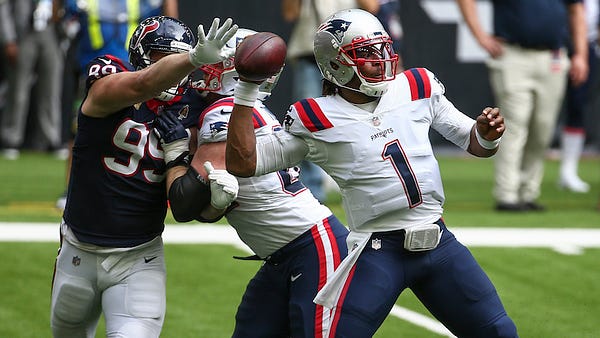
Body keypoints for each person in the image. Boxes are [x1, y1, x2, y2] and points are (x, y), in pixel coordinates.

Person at [225, 8, 517, 337]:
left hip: (439, 244)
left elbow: (474, 142)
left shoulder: (417, 86)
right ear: (335, 63)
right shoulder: (316, 117)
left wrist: (488, 135)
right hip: (378, 251)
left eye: (383, 48)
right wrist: (245, 92)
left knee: (499, 332)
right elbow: (243, 163)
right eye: (365, 53)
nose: (381, 59)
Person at [50, 16, 238, 337]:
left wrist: (217, 202)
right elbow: (141, 84)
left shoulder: (194, 108)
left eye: (177, 59)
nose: (173, 69)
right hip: (77, 251)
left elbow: (187, 206)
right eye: (162, 58)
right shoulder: (108, 74)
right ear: (139, 55)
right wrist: (189, 59)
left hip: (139, 259)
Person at [154, 28, 349, 337]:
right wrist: (215, 204)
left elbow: (183, 202)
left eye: (214, 64)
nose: (203, 70)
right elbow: (208, 205)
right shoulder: (240, 108)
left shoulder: (224, 111)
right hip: (287, 251)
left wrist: (175, 153)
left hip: (309, 245)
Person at [457, 0, 589, 211]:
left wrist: (581, 54)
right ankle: (507, 194)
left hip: (553, 56)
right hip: (513, 54)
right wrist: (480, 36)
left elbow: (576, 10)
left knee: (543, 129)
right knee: (514, 124)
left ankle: (527, 191)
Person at [55, 0, 179, 210]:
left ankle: (137, 184)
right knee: (79, 132)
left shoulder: (139, 4)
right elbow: (60, 14)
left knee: (138, 130)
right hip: (94, 73)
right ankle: (71, 187)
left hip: (132, 72)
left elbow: (170, 19)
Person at [282, 0, 376, 203]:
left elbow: (372, 6)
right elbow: (290, 13)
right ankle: (312, 191)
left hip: (349, 55)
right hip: (311, 53)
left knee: (356, 119)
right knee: (306, 123)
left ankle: (359, 186)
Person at [0, 0, 64, 160]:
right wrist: (8, 39)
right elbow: (3, 6)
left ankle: (51, 138)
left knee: (51, 89)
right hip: (22, 33)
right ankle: (11, 138)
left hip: (50, 31)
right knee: (18, 89)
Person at [558, 0, 599, 193]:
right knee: (540, 111)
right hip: (556, 43)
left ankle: (569, 170)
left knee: (578, 106)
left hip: (589, 44)